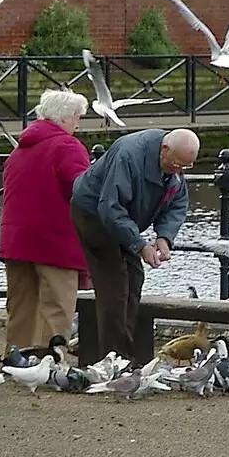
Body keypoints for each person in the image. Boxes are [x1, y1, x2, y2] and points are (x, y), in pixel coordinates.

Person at [69, 127, 201, 361]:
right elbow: (110, 207)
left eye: (185, 167)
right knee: (115, 285)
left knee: (134, 279)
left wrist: (164, 237)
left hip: (123, 217)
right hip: (93, 213)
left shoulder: (174, 167)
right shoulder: (128, 154)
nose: (179, 170)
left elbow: (177, 202)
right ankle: (112, 359)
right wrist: (140, 245)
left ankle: (124, 353)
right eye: (176, 164)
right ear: (164, 149)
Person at [0, 90, 91, 353]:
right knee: (57, 307)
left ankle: (16, 358)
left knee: (20, 305)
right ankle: (51, 361)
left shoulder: (20, 148)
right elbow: (81, 190)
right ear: (65, 117)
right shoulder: (68, 146)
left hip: (17, 239)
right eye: (77, 116)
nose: (78, 123)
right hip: (54, 240)